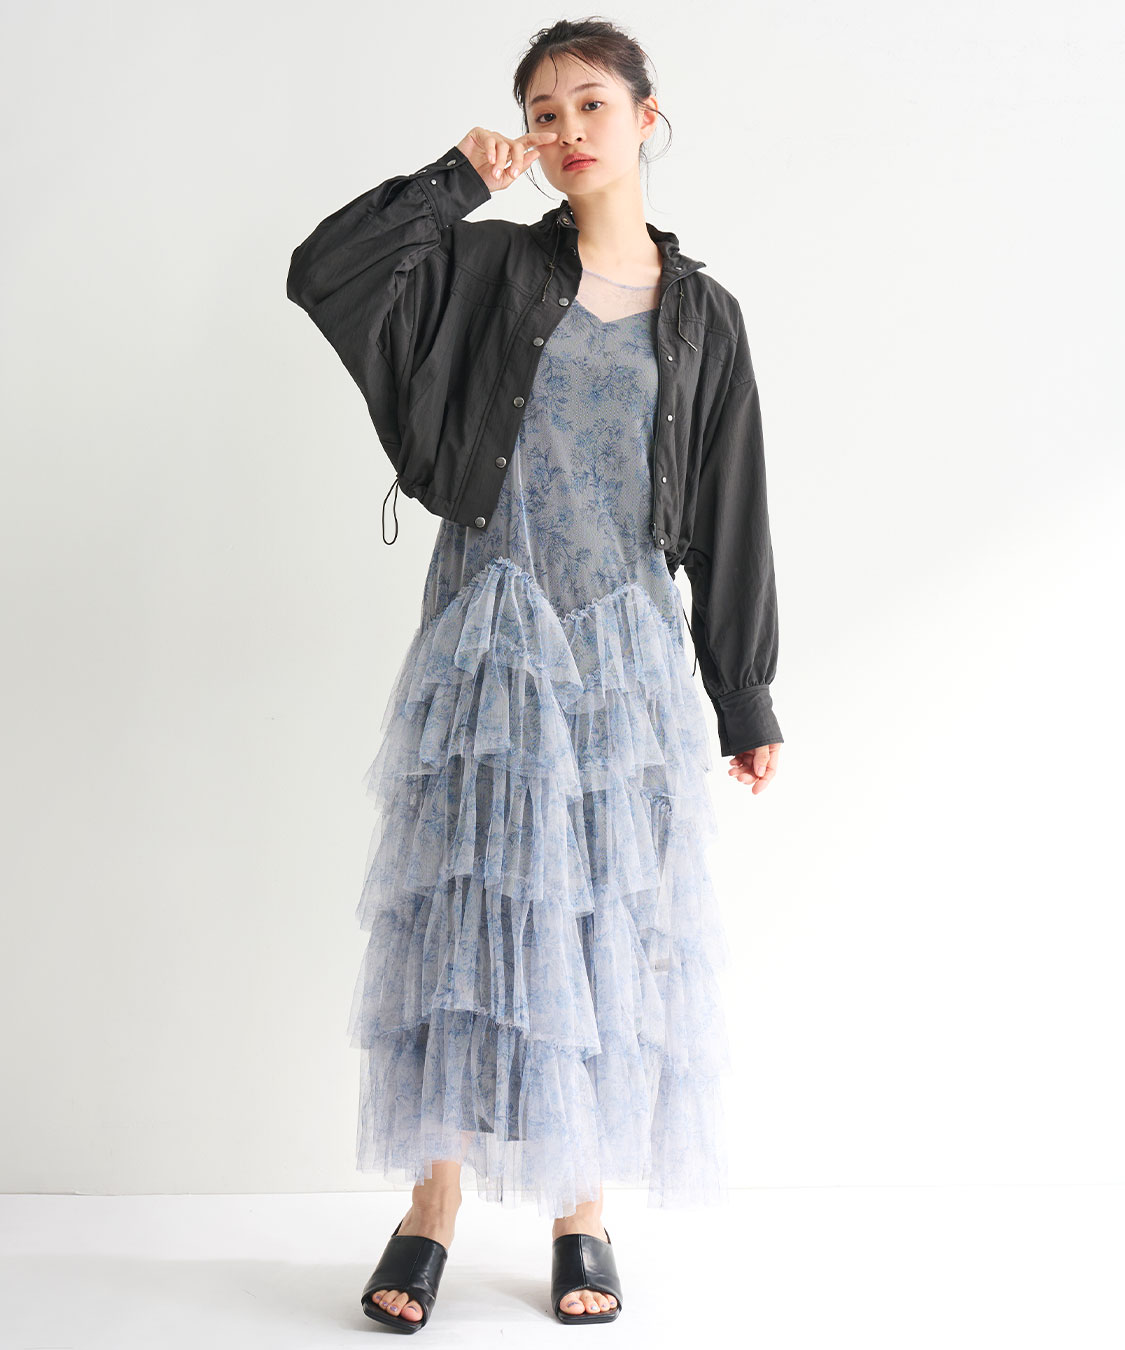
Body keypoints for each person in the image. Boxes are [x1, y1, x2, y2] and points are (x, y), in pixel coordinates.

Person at [287, 17, 783, 1332]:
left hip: (624, 655)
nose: (567, 132)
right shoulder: (491, 265)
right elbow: (324, 273)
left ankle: (581, 1212)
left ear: (646, 118)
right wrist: (458, 180)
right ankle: (432, 1206)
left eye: (591, 104)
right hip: (491, 635)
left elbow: (732, 508)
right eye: (543, 112)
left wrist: (742, 693)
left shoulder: (705, 318)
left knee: (603, 929)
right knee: (465, 926)